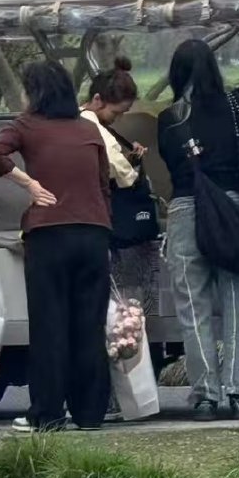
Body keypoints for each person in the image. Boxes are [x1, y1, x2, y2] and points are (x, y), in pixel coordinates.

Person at [0, 60, 112, 433]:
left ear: (35, 92)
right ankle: (91, 412)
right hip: (93, 233)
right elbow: (103, 184)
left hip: (49, 235)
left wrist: (29, 185)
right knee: (89, 325)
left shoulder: (26, 125)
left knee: (50, 325)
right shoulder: (88, 129)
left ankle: (48, 412)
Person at [158, 39, 239, 422]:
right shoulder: (236, 107)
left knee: (194, 307)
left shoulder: (170, 117)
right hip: (235, 211)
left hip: (187, 211)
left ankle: (205, 395)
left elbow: (172, 164)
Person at [80, 56, 161, 421]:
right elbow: (123, 175)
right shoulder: (90, 123)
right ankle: (120, 399)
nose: (117, 118)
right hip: (118, 236)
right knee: (123, 318)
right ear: (98, 101)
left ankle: (121, 398)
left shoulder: (89, 125)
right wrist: (133, 163)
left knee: (118, 319)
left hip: (106, 230)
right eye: (116, 111)